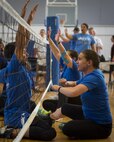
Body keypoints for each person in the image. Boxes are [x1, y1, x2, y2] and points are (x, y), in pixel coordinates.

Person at [0, 0, 56, 140]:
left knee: (49, 122)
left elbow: (22, 43)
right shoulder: (14, 66)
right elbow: (20, 42)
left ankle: (20, 125)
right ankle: (7, 132)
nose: (26, 53)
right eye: (23, 52)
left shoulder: (23, 67)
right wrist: (24, 19)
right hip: (15, 114)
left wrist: (28, 22)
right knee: (49, 133)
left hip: (23, 109)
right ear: (15, 55)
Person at [49, 49, 112, 139]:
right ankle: (53, 118)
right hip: (88, 114)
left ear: (89, 62)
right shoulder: (90, 74)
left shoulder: (94, 77)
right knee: (65, 107)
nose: (77, 62)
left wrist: (58, 88)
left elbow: (73, 92)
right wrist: (67, 83)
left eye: (80, 59)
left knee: (67, 129)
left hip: (101, 126)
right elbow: (75, 83)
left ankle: (77, 128)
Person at [42, 28, 82, 113]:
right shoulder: (65, 65)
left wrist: (59, 42)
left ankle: (62, 112)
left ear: (73, 59)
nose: (63, 58)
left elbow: (64, 55)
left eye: (67, 56)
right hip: (65, 96)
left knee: (62, 91)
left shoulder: (74, 66)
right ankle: (61, 110)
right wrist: (49, 39)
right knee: (46, 103)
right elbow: (56, 52)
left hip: (74, 98)